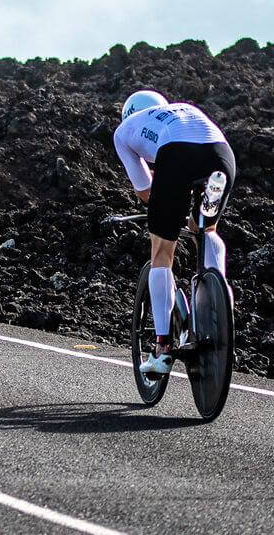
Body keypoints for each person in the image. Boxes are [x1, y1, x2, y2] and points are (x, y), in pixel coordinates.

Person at [113, 89, 235, 376]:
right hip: (221, 154)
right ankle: (223, 319)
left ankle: (162, 349)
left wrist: (166, 194)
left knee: (161, 252)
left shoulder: (124, 131)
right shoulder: (180, 110)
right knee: (205, 228)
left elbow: (145, 192)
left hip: (177, 157)